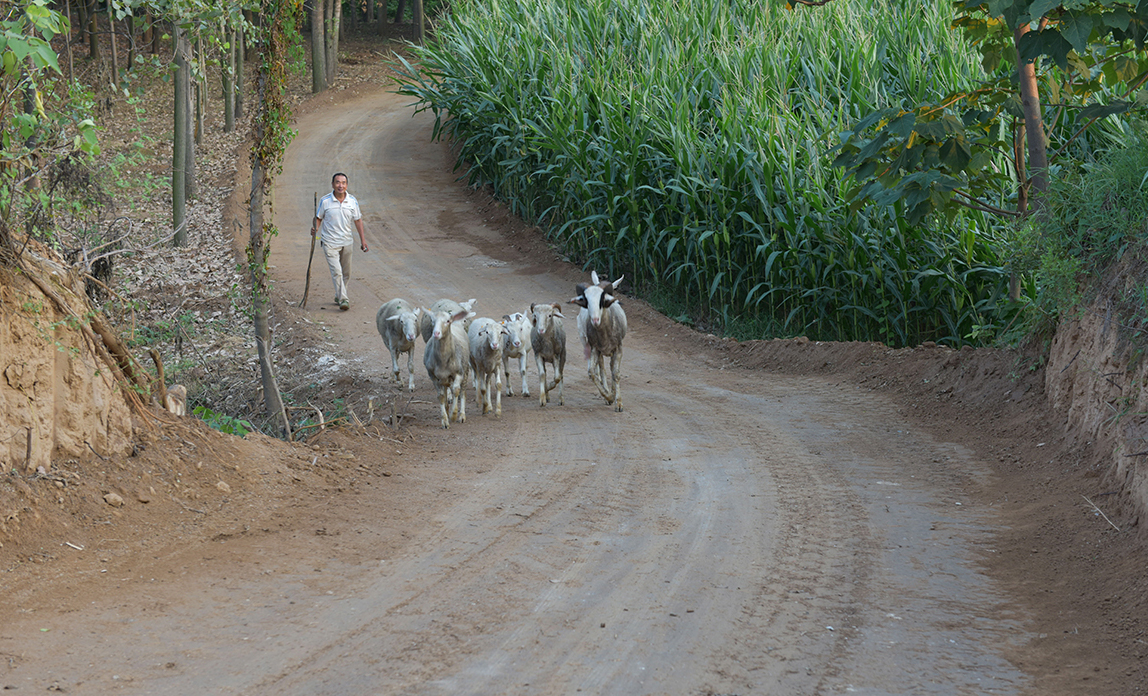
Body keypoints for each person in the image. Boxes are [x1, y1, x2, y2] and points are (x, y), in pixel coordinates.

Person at [312, 172, 369, 311]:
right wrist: (316, 228)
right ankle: (344, 299)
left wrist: (363, 240)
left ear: (347, 185)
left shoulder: (352, 201)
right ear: (332, 184)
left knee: (346, 272)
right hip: (329, 242)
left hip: (347, 242)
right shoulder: (325, 201)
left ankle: (339, 294)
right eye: (337, 182)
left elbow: (358, 220)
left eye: (343, 183)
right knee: (337, 272)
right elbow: (318, 217)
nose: (340, 185)